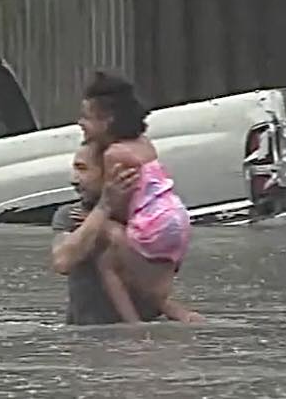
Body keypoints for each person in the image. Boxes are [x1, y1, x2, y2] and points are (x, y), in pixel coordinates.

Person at [72, 71, 197, 324]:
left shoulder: (114, 155)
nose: (79, 123)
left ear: (107, 121)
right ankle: (176, 314)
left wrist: (92, 218)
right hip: (175, 215)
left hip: (154, 222)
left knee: (108, 264)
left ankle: (133, 327)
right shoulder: (144, 143)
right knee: (152, 284)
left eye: (86, 117)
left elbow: (118, 203)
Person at [52, 139, 202, 324]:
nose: (73, 179)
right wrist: (103, 208)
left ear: (113, 173)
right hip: (87, 336)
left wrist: (182, 315)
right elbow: (63, 262)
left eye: (82, 169)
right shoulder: (73, 215)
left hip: (143, 337)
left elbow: (154, 288)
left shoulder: (151, 222)